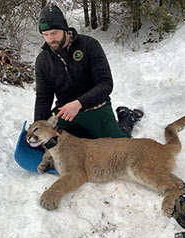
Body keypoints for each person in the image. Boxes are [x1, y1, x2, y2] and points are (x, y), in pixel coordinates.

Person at [34, 4, 143, 139]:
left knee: (118, 149)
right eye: (45, 35)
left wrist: (79, 103)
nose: (50, 39)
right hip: (66, 114)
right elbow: (43, 98)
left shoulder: (89, 45)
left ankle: (127, 118)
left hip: (96, 108)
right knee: (61, 150)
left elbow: (106, 83)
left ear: (64, 28)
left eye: (54, 33)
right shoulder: (43, 60)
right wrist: (37, 127)